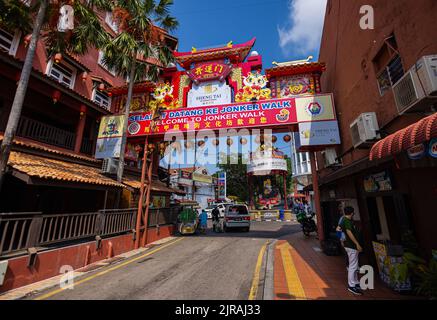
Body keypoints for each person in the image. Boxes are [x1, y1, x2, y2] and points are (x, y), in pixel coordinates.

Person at [340, 206, 363, 295]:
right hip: (351, 246)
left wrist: (341, 240)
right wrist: (357, 243)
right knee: (353, 266)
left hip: (349, 245)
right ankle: (351, 285)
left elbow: (338, 230)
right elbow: (349, 232)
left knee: (354, 265)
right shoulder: (347, 221)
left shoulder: (343, 220)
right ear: (352, 213)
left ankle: (356, 283)